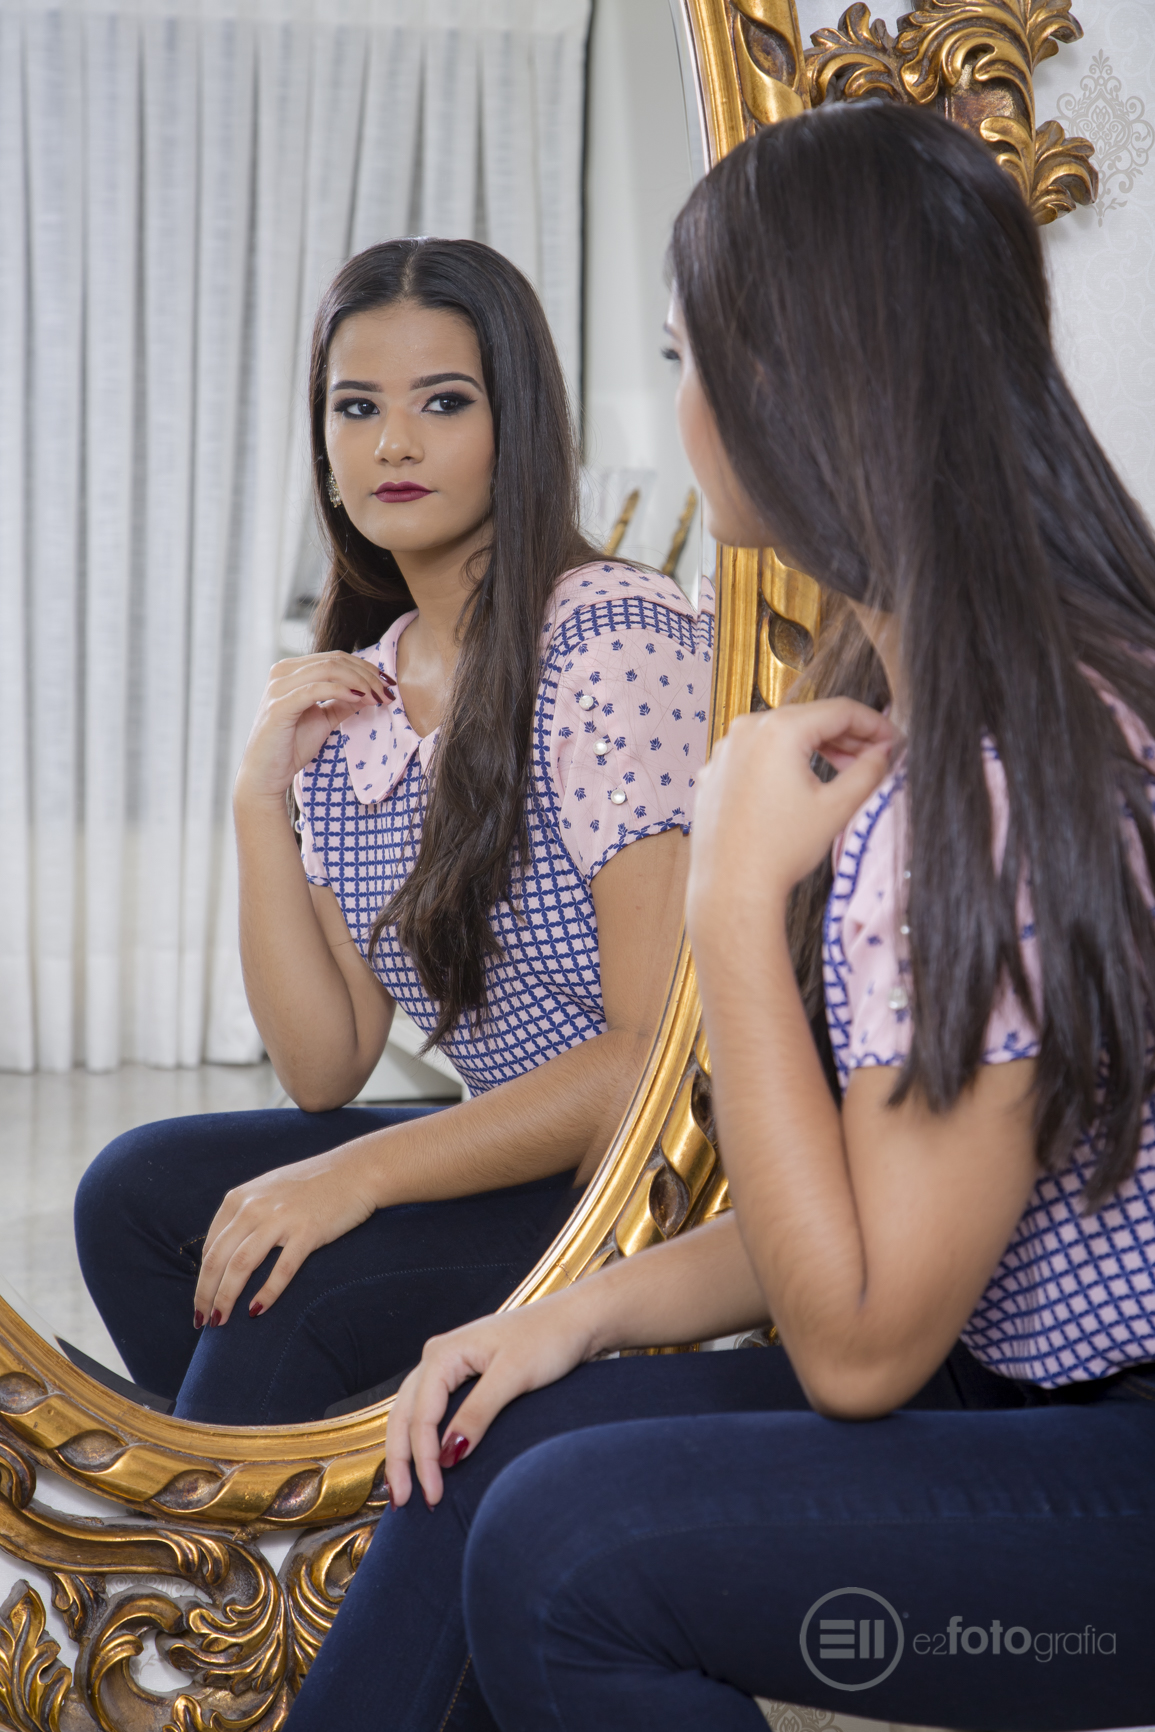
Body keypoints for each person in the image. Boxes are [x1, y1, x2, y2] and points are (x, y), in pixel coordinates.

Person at [283, 105, 1155, 1732]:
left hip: (1101, 1442)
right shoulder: (927, 694)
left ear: (792, 380)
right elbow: (871, 1209)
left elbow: (860, 1349)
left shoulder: (991, 775)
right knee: (494, 1429)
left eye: (687, 357)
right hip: (992, 1369)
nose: (680, 407)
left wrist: (735, 902)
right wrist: (562, 1318)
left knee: (564, 1550)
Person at [74, 238, 712, 1426]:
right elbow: (326, 1064)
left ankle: (251, 1502)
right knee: (132, 1194)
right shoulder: (357, 699)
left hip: (640, 1171)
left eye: (444, 402)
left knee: (295, 1284)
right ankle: (279, 1481)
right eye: (357, 407)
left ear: (518, 423)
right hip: (508, 1147)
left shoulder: (609, 637)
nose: (394, 445)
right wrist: (258, 802)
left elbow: (647, 1056)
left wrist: (356, 1176)